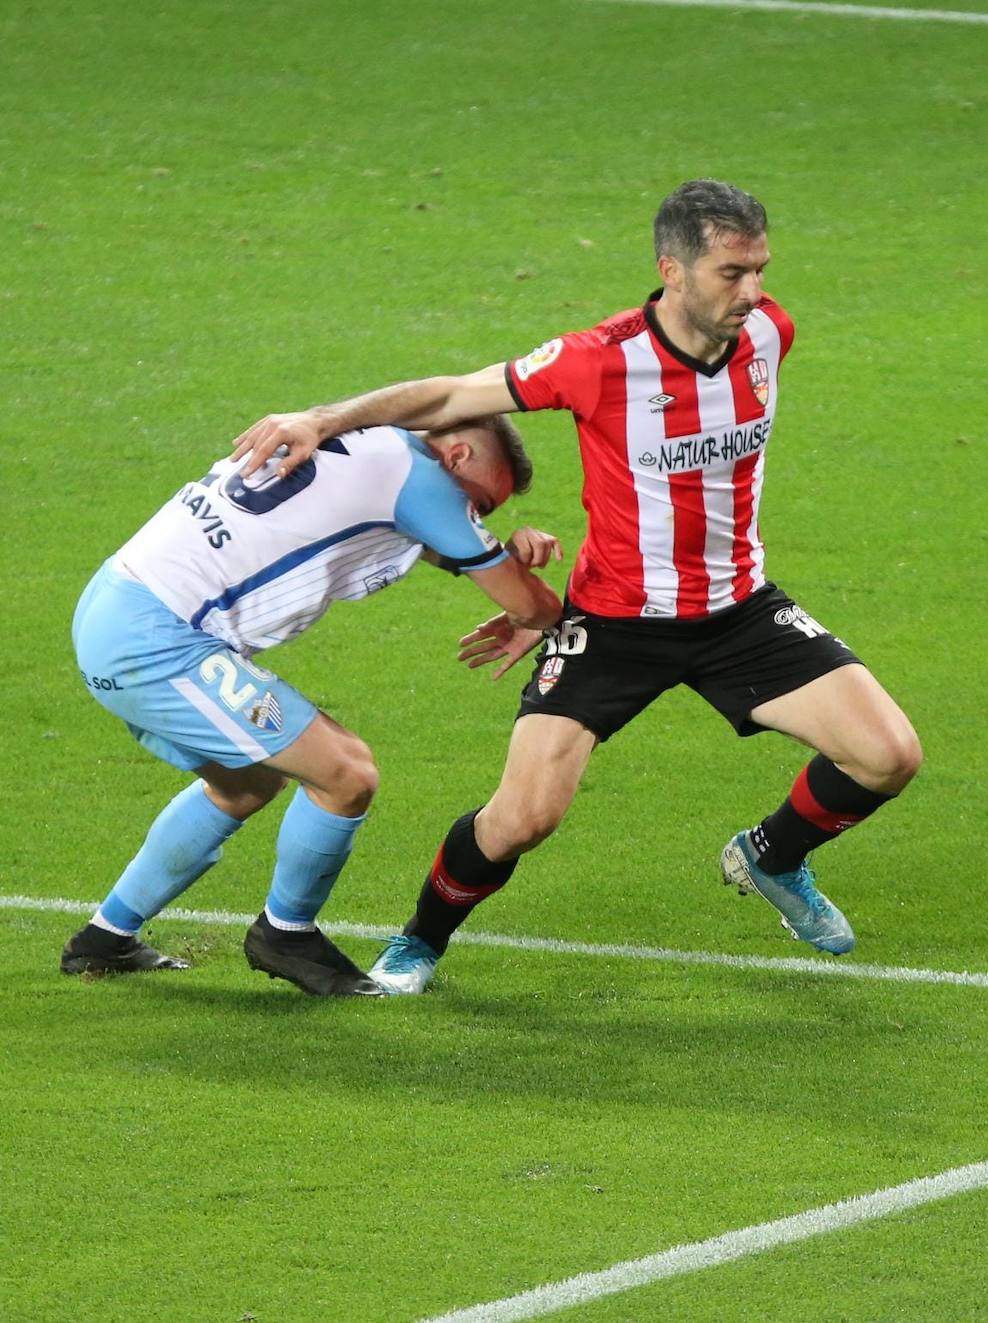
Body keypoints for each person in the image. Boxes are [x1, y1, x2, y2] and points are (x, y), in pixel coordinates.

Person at [230, 179, 922, 995]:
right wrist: (322, 418)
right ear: (673, 268)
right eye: (733, 273)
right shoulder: (599, 359)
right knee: (524, 818)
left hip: (740, 611)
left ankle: (772, 856)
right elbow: (453, 394)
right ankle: (419, 940)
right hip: (616, 622)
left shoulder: (771, 334)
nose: (754, 292)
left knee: (888, 755)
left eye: (761, 269)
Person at [64, 417, 564, 995]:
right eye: (478, 503)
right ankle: (286, 933)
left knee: (244, 784)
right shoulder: (421, 478)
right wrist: (522, 580)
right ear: (455, 456)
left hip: (115, 605)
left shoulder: (370, 443)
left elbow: (425, 539)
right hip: (157, 638)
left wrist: (495, 551)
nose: (475, 517)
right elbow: (531, 607)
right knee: (346, 773)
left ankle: (104, 939)